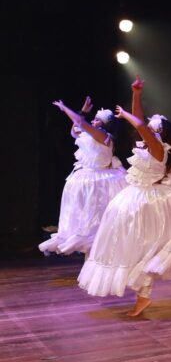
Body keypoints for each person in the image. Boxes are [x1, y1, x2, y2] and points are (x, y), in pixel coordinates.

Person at [78, 77, 171, 316]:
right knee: (138, 248)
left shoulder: (157, 149)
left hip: (151, 204)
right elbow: (141, 124)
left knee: (148, 249)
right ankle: (163, 285)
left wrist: (127, 114)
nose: (148, 130)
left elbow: (141, 127)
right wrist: (135, 95)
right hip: (137, 199)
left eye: (155, 130)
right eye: (150, 128)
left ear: (162, 136)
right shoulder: (148, 145)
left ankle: (163, 286)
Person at [40, 97, 127, 255]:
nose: (94, 121)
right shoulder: (90, 134)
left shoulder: (104, 136)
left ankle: (99, 257)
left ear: (105, 124)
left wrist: (65, 108)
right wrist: (83, 111)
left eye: (97, 120)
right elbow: (75, 129)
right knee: (84, 219)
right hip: (86, 178)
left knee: (97, 221)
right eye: (93, 119)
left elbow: (80, 123)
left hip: (101, 182)